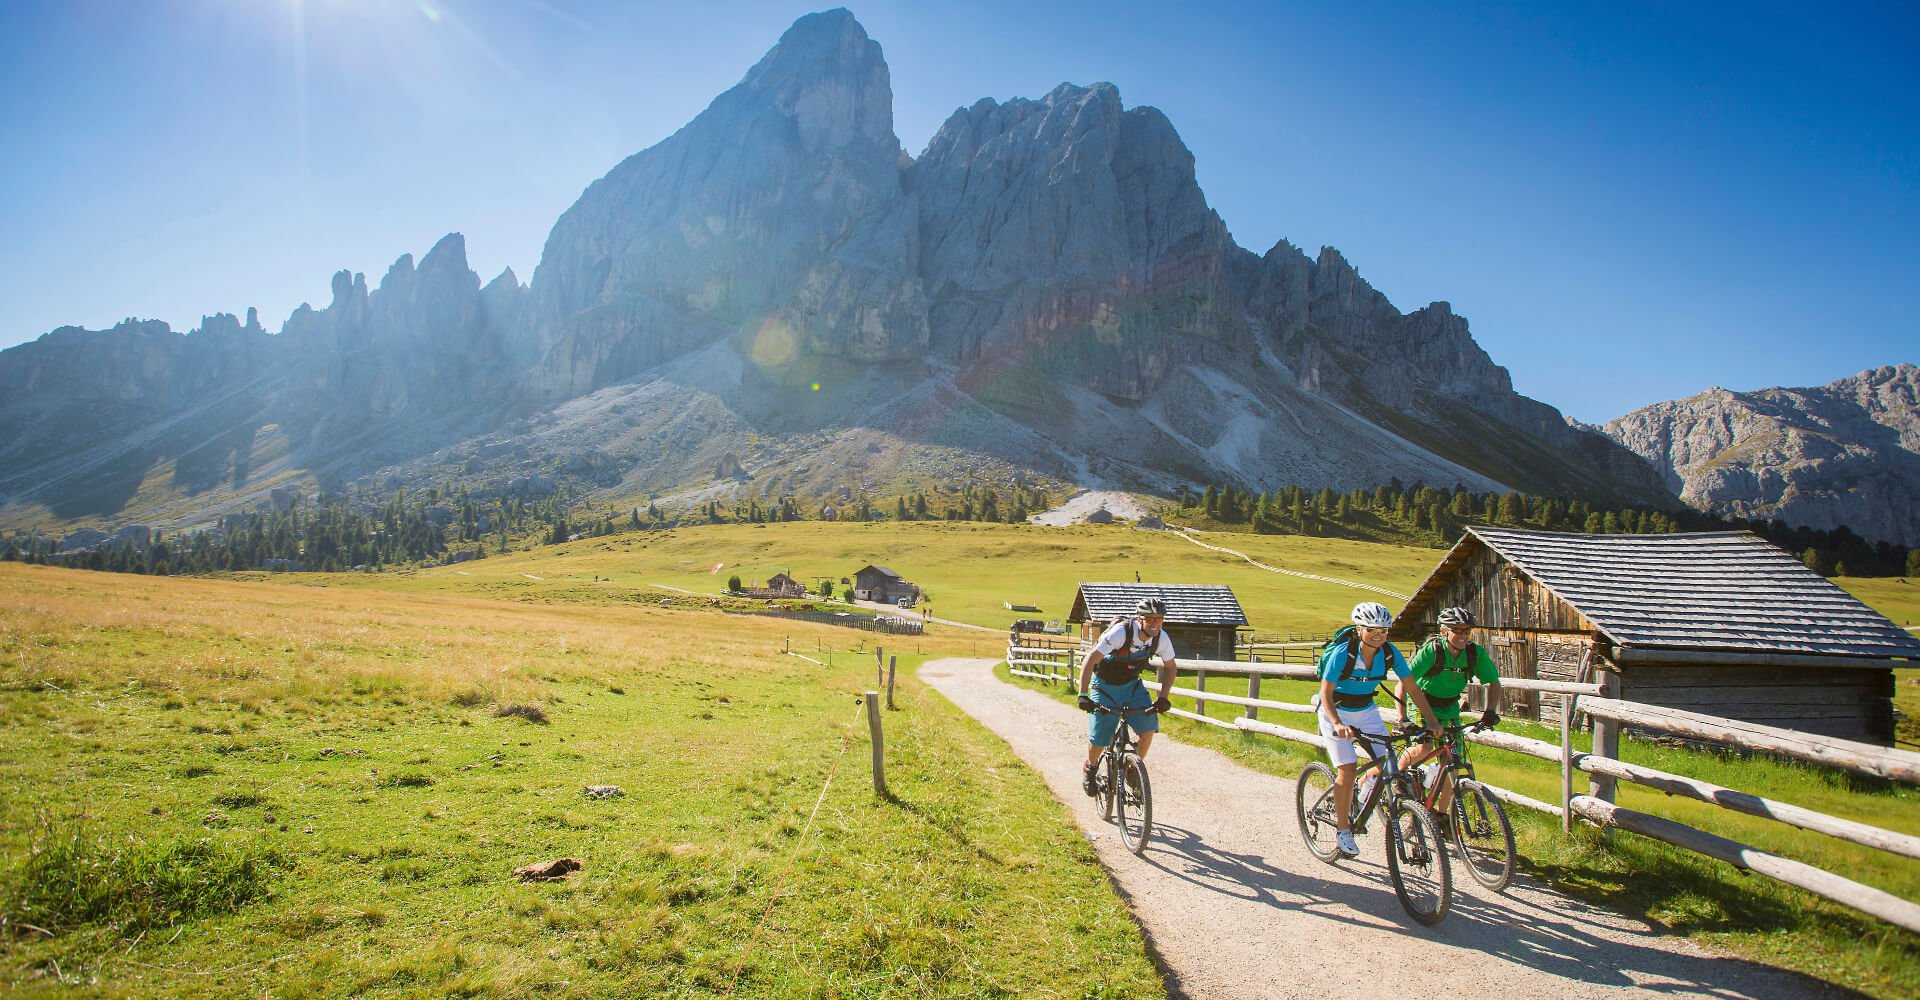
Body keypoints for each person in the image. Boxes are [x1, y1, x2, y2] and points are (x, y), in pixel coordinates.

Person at [1316, 601, 1442, 858]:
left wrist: (1431, 720)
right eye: (1373, 630)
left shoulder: (1390, 653)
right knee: (1347, 768)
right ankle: (1343, 830)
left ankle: (1363, 792)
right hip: (1335, 710)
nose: (1379, 636)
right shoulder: (1343, 653)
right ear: (1359, 629)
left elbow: (1413, 688)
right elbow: (1325, 693)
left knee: (1387, 760)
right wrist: (1338, 724)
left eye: (1383, 631)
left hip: (1366, 710)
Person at [1395, 607, 1502, 820]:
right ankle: (1398, 776)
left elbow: (1494, 682)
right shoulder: (1431, 651)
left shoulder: (1474, 653)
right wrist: (1403, 718)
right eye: (1457, 631)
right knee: (1424, 747)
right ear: (1444, 632)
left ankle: (1441, 816)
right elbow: (1403, 683)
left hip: (1450, 707)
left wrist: (1490, 711)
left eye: (1466, 631)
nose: (1463, 636)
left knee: (1452, 764)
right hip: (1423, 704)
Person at [1076, 597, 1178, 796]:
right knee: (1099, 738)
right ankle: (1091, 767)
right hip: (1104, 686)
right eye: (1151, 619)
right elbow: (1091, 659)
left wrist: (1163, 697)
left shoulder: (1161, 638)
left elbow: (1171, 668)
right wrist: (1083, 694)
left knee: (1148, 728)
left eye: (1160, 619)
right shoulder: (1121, 632)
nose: (1156, 624)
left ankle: (1132, 771)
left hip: (1131, 686)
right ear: (1140, 619)